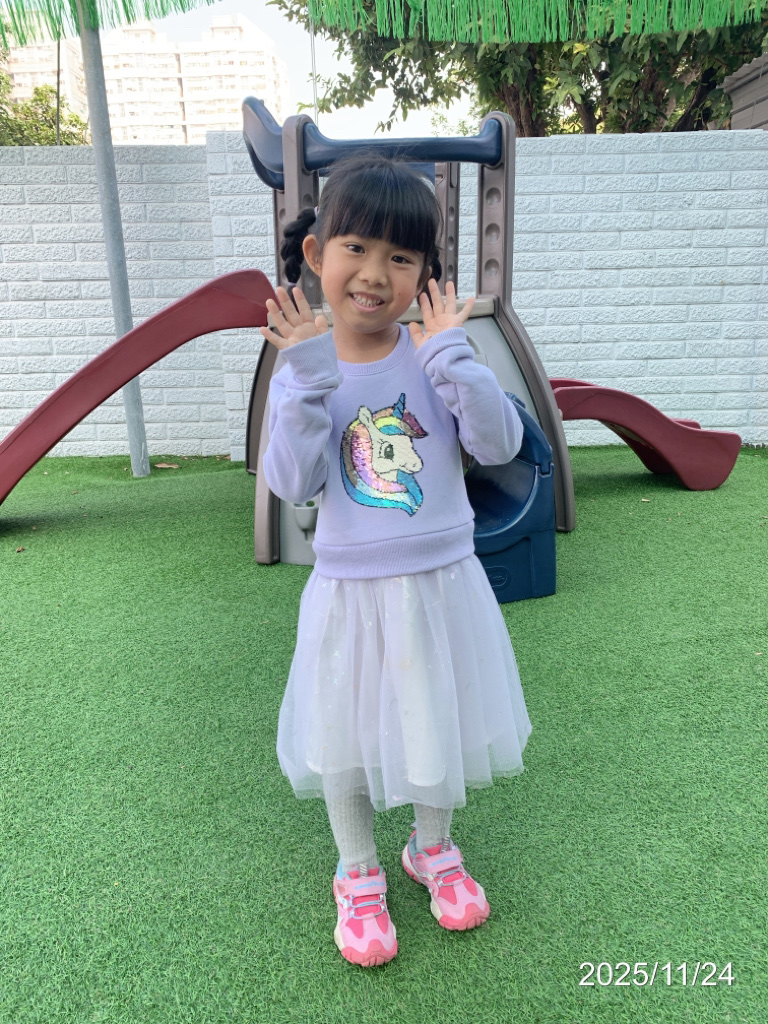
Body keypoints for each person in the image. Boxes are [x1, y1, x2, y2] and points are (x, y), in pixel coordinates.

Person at [260, 153, 532, 968]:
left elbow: (500, 445)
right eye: (357, 248)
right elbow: (291, 482)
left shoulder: (436, 352)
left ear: (424, 272)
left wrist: (453, 356)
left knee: (435, 719)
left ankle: (431, 848)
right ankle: (357, 871)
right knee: (343, 737)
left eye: (401, 256)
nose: (376, 273)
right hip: (349, 593)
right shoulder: (305, 364)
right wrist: (305, 378)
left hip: (441, 584)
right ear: (318, 255)